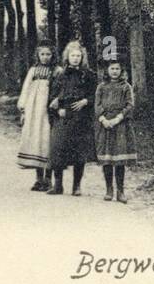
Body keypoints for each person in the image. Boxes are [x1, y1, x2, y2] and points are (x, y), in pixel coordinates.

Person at [47, 40, 97, 196]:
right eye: (72, 55)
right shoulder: (60, 75)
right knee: (58, 148)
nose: (75, 58)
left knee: (79, 151)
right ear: (67, 57)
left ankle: (76, 186)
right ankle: (58, 185)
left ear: (82, 57)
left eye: (78, 56)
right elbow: (53, 95)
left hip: (81, 117)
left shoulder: (88, 75)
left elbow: (96, 94)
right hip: (63, 116)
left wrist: (85, 101)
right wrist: (58, 108)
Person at [95, 60, 137, 203]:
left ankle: (120, 191)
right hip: (105, 125)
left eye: (117, 68)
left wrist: (118, 118)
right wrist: (103, 119)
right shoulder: (101, 87)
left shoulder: (126, 87)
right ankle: (109, 189)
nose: (114, 71)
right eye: (112, 68)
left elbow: (130, 105)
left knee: (119, 159)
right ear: (107, 71)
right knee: (107, 158)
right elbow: (97, 105)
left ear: (121, 70)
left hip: (120, 125)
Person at [17, 42, 56, 190]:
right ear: (38, 55)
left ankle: (48, 179)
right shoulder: (33, 71)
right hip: (34, 112)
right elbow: (26, 89)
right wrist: (23, 110)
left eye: (48, 54)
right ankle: (38, 179)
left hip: (48, 110)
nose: (45, 57)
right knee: (36, 142)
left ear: (53, 56)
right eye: (42, 54)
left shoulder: (56, 71)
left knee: (47, 142)